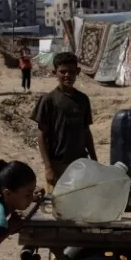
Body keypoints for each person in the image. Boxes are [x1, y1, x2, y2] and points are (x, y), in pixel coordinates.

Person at [30, 52, 97, 192]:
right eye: (63, 71)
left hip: (80, 163)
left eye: (71, 71)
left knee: (80, 203)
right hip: (58, 163)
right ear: (55, 72)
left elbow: (86, 131)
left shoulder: (83, 99)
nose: (67, 75)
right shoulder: (48, 100)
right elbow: (41, 135)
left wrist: (94, 160)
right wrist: (48, 167)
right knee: (59, 205)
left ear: (77, 72)